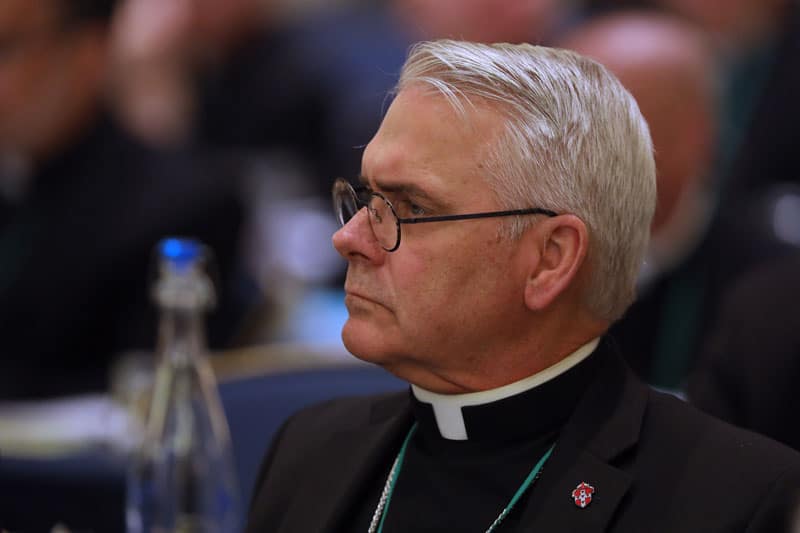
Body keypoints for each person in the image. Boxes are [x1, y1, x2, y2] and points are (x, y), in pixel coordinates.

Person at [246, 40, 800, 532]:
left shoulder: (730, 500)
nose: (348, 238)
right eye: (365, 199)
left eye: (409, 208)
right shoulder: (309, 449)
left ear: (549, 260)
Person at [0, 0, 247, 399]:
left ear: (87, 53)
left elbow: (150, 397)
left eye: (5, 48)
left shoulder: (182, 205)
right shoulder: (17, 185)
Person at [556, 11, 720, 388]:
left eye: (607, 125)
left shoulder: (765, 272)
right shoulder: (538, 254)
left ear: (695, 134)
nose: (577, 151)